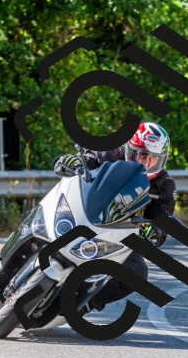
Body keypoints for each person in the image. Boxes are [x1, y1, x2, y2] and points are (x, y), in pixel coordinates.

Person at [53, 121, 177, 313]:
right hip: (83, 212)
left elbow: (161, 226)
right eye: (141, 156)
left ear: (162, 161)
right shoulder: (110, 152)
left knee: (137, 272)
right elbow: (79, 161)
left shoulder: (164, 186)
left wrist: (155, 231)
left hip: (118, 233)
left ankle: (84, 303)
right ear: (129, 150)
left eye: (153, 160)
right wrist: (66, 163)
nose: (145, 164)